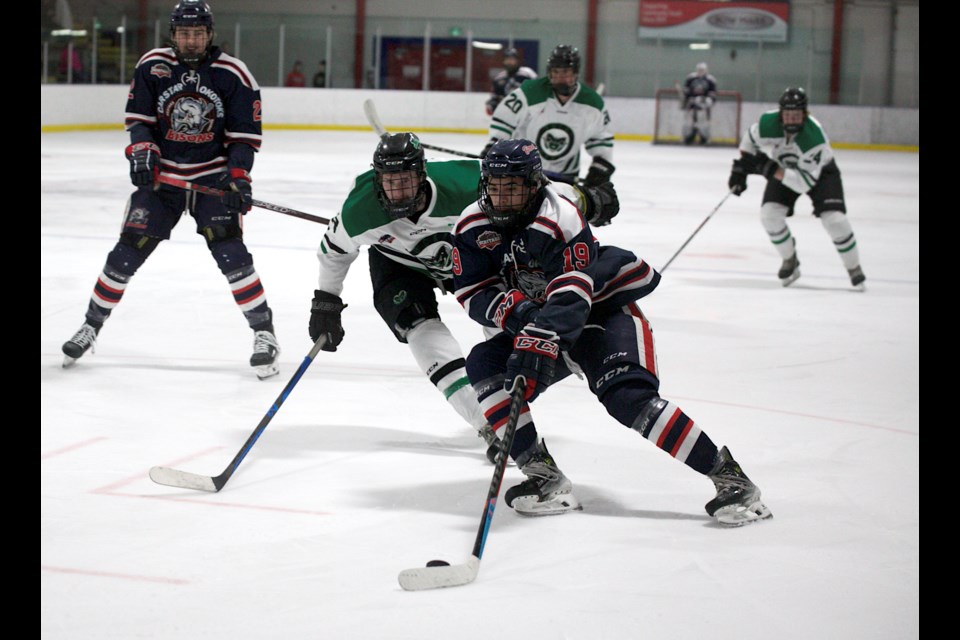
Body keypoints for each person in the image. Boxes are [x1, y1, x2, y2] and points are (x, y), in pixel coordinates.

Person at [451, 139, 773, 526]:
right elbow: (471, 289)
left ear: (534, 185)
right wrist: (519, 315)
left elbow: (573, 293)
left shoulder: (559, 218)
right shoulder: (471, 224)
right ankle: (543, 476)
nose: (502, 198)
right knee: (484, 365)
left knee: (627, 398)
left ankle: (731, 479)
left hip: (600, 312)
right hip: (539, 319)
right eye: (495, 187)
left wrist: (542, 336)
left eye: (513, 187)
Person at [307, 133, 619, 462]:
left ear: (422, 174)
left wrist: (586, 199)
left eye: (406, 181)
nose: (397, 192)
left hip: (472, 258)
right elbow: (334, 252)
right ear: (376, 179)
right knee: (418, 328)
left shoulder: (463, 182)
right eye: (389, 182)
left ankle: (502, 401)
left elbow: (535, 189)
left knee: (505, 328)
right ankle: (486, 423)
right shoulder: (360, 209)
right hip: (399, 264)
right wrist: (326, 301)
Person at [61, 0, 281, 380]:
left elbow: (243, 138)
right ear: (173, 34)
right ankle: (90, 326)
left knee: (232, 254)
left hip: (211, 180)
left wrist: (238, 178)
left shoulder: (234, 74)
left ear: (210, 34)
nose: (191, 40)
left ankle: (265, 334)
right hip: (164, 182)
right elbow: (140, 121)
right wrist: (143, 153)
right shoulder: (152, 65)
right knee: (125, 253)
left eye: (198, 33)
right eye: (184, 33)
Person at [728, 86, 866, 289]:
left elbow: (804, 183)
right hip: (784, 169)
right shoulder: (769, 123)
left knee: (835, 220)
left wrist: (769, 168)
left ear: (805, 114)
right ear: (781, 114)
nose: (791, 119)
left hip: (820, 174)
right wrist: (740, 169)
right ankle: (790, 259)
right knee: (769, 216)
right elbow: (749, 139)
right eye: (788, 115)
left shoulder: (813, 140)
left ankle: (853, 267)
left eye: (796, 115)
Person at [480, 44, 614, 194]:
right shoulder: (531, 92)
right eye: (555, 72)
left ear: (575, 73)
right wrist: (494, 144)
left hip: (566, 176)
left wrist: (600, 165)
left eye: (565, 72)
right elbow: (504, 119)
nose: (559, 77)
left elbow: (601, 138)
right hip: (526, 170)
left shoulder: (592, 102)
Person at [485, 47, 537, 116]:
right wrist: (492, 104)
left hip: (527, 115)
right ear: (503, 61)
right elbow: (495, 97)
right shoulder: (499, 79)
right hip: (507, 117)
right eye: (507, 59)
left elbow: (538, 92)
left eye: (512, 59)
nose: (509, 62)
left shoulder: (528, 74)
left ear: (517, 61)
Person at [681, 61, 717, 145]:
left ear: (706, 70)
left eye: (702, 69)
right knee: (689, 122)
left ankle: (704, 139)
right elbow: (686, 91)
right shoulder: (690, 78)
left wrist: (707, 100)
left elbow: (713, 94)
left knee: (704, 123)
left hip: (704, 107)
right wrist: (688, 99)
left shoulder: (710, 80)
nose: (700, 71)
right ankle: (688, 138)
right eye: (699, 69)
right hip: (692, 105)